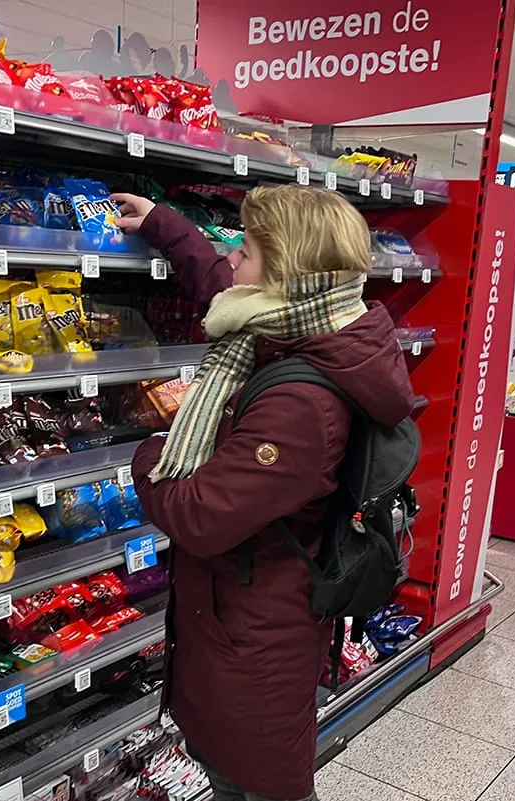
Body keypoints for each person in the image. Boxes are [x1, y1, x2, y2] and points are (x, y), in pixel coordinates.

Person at [113, 186, 414, 801]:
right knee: (234, 769)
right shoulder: (309, 325)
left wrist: (148, 454)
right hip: (239, 613)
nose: (234, 262)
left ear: (284, 276)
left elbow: (199, 517)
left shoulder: (302, 404)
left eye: (246, 252)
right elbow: (222, 286)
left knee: (257, 783)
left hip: (258, 639)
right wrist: (165, 227)